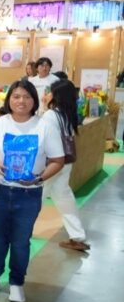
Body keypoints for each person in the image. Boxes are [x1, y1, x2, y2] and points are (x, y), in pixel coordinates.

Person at [0, 79, 65, 302]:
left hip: (29, 194)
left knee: (21, 240)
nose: (21, 101)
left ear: (34, 100)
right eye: (16, 96)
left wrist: (39, 178)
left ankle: (16, 282)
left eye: (26, 97)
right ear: (9, 100)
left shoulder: (44, 127)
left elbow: (58, 160)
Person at [42, 79, 90, 252]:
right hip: (65, 163)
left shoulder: (51, 115)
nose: (47, 95)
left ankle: (19, 232)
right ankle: (77, 236)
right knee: (64, 198)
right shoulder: (68, 114)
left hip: (52, 164)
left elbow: (45, 140)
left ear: (57, 96)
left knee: (35, 197)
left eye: (51, 92)